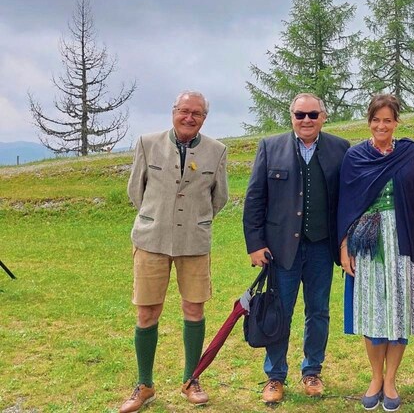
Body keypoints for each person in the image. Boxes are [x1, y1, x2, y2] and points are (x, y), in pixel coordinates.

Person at [119, 90, 228, 412]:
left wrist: (194, 220)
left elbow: (218, 198)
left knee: (194, 310)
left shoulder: (217, 151)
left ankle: (191, 379)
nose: (189, 117)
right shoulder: (147, 143)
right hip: (151, 241)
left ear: (204, 118)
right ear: (173, 111)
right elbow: (135, 191)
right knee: (146, 312)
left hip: (194, 243)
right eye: (184, 110)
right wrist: (158, 218)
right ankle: (144, 384)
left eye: (196, 113)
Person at [242, 93, 350, 404]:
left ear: (323, 117)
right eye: (300, 115)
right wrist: (255, 244)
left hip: (321, 247)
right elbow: (255, 200)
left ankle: (312, 371)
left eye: (312, 115)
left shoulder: (340, 148)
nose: (306, 120)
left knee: (318, 312)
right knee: (280, 312)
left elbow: (348, 198)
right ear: (291, 117)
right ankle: (275, 376)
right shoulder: (270, 147)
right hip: (280, 250)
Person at [338, 93, 414, 412]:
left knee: (398, 313)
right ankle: (375, 377)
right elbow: (345, 203)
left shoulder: (412, 154)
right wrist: (344, 244)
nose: (381, 125)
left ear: (396, 122)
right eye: (376, 120)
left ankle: (391, 379)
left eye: (387, 120)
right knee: (373, 312)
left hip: (404, 240)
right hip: (367, 243)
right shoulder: (355, 156)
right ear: (369, 122)